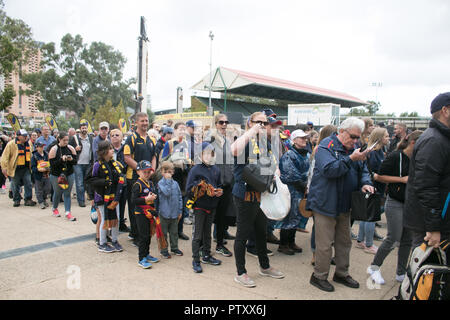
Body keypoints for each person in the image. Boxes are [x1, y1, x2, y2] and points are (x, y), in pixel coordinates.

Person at [307, 117, 374, 292]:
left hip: (345, 204)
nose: (355, 141)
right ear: (341, 132)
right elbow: (330, 170)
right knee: (324, 244)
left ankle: (341, 273)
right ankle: (319, 276)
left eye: (357, 137)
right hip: (325, 204)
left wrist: (366, 183)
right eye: (352, 137)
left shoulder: (353, 149)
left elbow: (364, 170)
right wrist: (351, 158)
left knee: (344, 242)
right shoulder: (325, 147)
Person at [231, 111, 285, 288]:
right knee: (243, 234)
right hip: (244, 193)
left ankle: (264, 266)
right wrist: (251, 131)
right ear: (249, 122)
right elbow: (234, 150)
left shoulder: (265, 142)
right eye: (259, 122)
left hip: (261, 194)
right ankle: (241, 272)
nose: (263, 125)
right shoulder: (245, 138)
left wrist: (275, 172)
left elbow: (271, 162)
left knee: (261, 232)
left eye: (265, 123)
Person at [367, 130, 423, 285]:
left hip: (411, 203)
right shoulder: (395, 156)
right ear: (413, 142)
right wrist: (402, 180)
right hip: (395, 202)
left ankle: (401, 272)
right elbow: (378, 176)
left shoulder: (419, 158)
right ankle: (374, 267)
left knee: (407, 240)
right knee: (393, 238)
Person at [404, 92, 450, 249]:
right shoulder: (433, 141)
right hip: (431, 227)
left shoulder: (442, 138)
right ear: (445, 111)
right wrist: (434, 227)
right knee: (430, 272)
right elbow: (426, 186)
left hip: (440, 221)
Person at [186, 142, 223, 273]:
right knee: (197, 235)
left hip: (212, 205)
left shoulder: (216, 169)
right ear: (200, 155)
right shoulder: (195, 169)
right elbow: (188, 189)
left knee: (207, 233)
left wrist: (219, 191)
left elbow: (219, 185)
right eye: (205, 153)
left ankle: (206, 255)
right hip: (199, 206)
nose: (208, 156)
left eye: (210, 153)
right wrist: (199, 187)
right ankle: (196, 259)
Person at [124, 113, 157, 246]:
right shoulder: (131, 139)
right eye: (142, 121)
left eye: (146, 120)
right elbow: (127, 157)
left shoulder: (152, 140)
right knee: (135, 208)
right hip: (134, 178)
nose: (145, 123)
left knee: (146, 205)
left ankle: (143, 233)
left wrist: (151, 171)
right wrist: (140, 170)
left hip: (147, 179)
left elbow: (154, 156)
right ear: (136, 123)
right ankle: (135, 235)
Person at [355, 127, 390, 254]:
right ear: (380, 138)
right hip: (371, 188)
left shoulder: (381, 151)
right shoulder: (373, 153)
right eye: (386, 136)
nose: (388, 138)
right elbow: (371, 172)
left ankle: (360, 240)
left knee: (367, 216)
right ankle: (368, 244)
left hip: (377, 187)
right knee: (370, 217)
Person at [205, 114, 235, 257]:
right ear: (215, 124)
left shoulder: (227, 140)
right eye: (221, 122)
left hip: (226, 184)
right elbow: (204, 162)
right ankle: (203, 247)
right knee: (207, 217)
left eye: (226, 122)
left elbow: (230, 162)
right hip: (213, 185)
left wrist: (231, 179)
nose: (224, 124)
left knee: (222, 217)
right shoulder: (209, 139)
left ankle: (220, 244)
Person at [276, 129, 310, 255]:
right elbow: (290, 174)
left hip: (301, 189)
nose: (305, 140)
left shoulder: (305, 154)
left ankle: (291, 241)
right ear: (294, 140)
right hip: (292, 190)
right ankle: (283, 244)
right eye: (302, 138)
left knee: (297, 215)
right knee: (290, 216)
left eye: (305, 138)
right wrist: (303, 186)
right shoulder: (290, 154)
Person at [308, 125, 337, 266]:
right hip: (318, 192)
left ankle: (322, 253)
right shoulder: (320, 150)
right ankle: (315, 253)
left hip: (326, 192)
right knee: (317, 226)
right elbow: (313, 174)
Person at [90, 141, 125, 253]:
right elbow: (91, 180)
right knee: (105, 219)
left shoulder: (114, 163)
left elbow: (119, 177)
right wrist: (105, 182)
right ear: (104, 151)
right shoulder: (97, 165)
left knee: (117, 219)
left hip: (114, 197)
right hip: (102, 197)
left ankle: (114, 240)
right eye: (110, 149)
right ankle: (102, 243)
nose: (112, 151)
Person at [161, 122, 191, 241]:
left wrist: (188, 163)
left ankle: (179, 231)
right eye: (180, 129)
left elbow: (188, 157)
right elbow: (163, 161)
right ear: (175, 130)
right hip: (172, 178)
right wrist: (173, 164)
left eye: (184, 129)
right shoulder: (169, 143)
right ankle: (169, 232)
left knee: (182, 206)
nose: (182, 132)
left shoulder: (186, 143)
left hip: (183, 178)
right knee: (171, 206)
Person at [131, 160, 161, 269]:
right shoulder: (137, 184)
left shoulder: (151, 183)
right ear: (138, 172)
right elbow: (133, 201)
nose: (147, 174)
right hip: (140, 213)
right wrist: (145, 199)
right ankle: (141, 258)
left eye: (149, 172)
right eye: (144, 172)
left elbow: (153, 194)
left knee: (148, 234)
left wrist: (153, 197)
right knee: (143, 235)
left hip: (149, 212)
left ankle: (146, 254)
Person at [1, 129, 36, 207]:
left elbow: (31, 155)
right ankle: (16, 200)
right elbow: (5, 156)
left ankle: (28, 199)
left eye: (26, 136)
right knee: (15, 184)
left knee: (28, 183)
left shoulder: (29, 144)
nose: (26, 137)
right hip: (15, 168)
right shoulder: (11, 144)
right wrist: (4, 167)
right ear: (19, 136)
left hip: (26, 168)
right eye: (24, 136)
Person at [48, 132, 77, 221]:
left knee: (67, 193)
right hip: (57, 174)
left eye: (67, 140)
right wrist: (61, 159)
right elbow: (52, 165)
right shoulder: (54, 149)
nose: (66, 142)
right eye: (64, 140)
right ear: (59, 139)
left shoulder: (71, 148)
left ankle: (68, 212)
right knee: (57, 192)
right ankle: (55, 208)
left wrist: (71, 159)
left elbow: (75, 162)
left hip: (69, 173)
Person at [157, 161, 183, 259]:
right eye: (167, 171)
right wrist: (167, 181)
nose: (169, 174)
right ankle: (164, 250)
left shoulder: (176, 184)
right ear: (162, 172)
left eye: (171, 172)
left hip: (174, 213)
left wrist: (180, 211)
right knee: (163, 233)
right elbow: (166, 193)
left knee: (174, 232)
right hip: (164, 213)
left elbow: (180, 197)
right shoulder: (160, 183)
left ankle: (174, 247)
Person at [69, 122, 94, 207]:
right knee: (79, 183)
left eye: (85, 128)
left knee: (87, 182)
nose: (84, 129)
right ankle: (81, 201)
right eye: (82, 128)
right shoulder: (75, 138)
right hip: (78, 164)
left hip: (88, 163)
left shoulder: (90, 138)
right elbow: (69, 149)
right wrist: (75, 150)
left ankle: (88, 197)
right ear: (80, 129)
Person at [110, 129, 129, 232]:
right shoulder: (107, 148)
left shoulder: (125, 148)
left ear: (121, 137)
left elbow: (126, 162)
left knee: (122, 203)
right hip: (111, 181)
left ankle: (121, 222)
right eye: (112, 135)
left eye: (117, 135)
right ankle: (112, 224)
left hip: (123, 180)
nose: (114, 137)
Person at [31, 141, 51, 209]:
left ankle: (44, 199)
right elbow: (33, 168)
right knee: (39, 189)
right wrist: (38, 169)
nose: (42, 148)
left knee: (47, 188)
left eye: (43, 146)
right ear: (36, 147)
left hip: (47, 175)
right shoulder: (34, 156)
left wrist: (48, 168)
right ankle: (41, 202)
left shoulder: (46, 154)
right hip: (38, 176)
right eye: (40, 146)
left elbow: (50, 163)